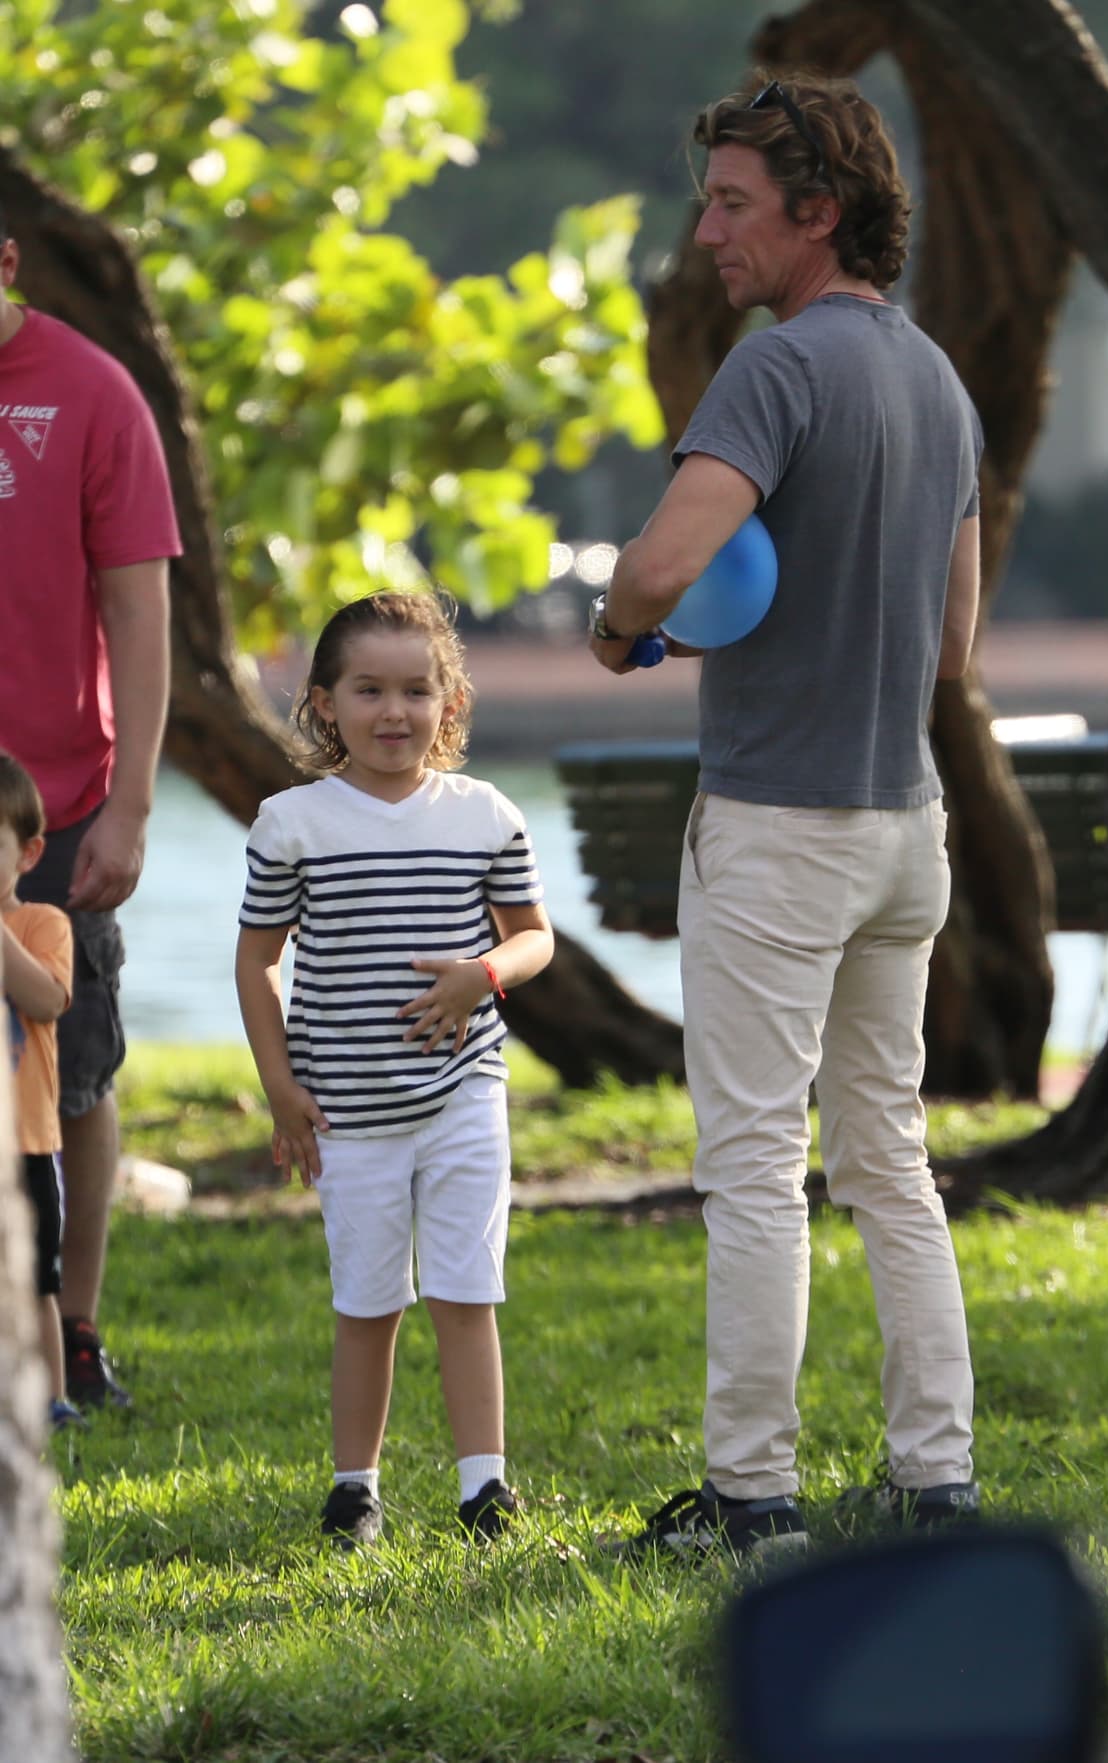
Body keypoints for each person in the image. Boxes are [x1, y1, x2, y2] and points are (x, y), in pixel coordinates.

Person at [588, 74, 983, 1557]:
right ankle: (933, 1477)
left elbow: (656, 567)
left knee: (754, 1161)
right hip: (907, 829)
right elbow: (955, 646)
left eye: (735, 204)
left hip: (778, 827)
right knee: (888, 1152)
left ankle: (753, 1497)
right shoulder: (939, 383)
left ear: (819, 212)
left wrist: (624, 622)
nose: (707, 236)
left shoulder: (774, 371)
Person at [236, 590, 554, 1548]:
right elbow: (257, 960)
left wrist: (482, 976)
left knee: (467, 1290)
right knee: (367, 1300)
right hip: (345, 1109)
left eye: (417, 690)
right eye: (368, 689)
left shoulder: (485, 814)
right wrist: (282, 1088)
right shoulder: (291, 822)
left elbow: (534, 937)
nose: (394, 711)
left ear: (449, 701)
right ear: (324, 701)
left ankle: (484, 1491)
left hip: (464, 1094)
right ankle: (355, 1491)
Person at [0, 200, 180, 1410]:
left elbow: (139, 610)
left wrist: (129, 806)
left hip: (53, 804)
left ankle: (73, 1328)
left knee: (69, 1078)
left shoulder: (91, 388)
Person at [1, 754, 79, 1430]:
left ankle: (54, 1395)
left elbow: (47, 998)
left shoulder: (41, 925)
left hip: (26, 1140)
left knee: (39, 1281)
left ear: (27, 854)